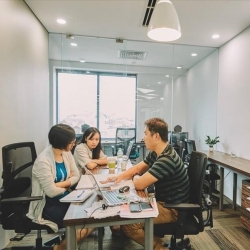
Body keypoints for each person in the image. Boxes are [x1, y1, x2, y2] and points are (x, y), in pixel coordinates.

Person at [101, 118, 190, 250]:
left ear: (156, 136)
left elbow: (139, 185)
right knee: (124, 213)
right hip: (162, 201)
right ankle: (158, 243)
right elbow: (137, 168)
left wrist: (136, 176)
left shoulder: (167, 159)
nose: (143, 138)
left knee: (128, 224)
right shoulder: (157, 152)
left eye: (146, 134)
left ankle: (159, 247)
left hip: (173, 209)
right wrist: (118, 178)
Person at [27, 124, 95, 250]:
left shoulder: (66, 153)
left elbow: (77, 176)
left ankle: (64, 244)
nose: (74, 144)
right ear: (62, 142)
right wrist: (68, 182)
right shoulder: (43, 161)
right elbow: (51, 192)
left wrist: (60, 184)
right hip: (48, 204)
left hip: (64, 197)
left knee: (93, 216)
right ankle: (59, 248)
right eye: (72, 141)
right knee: (84, 225)